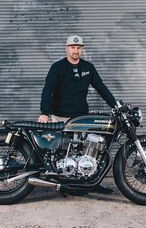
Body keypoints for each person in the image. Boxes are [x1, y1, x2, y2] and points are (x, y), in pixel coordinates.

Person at [39, 35, 117, 194]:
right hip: (59, 116)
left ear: (82, 49)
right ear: (67, 48)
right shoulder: (58, 67)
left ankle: (92, 182)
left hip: (81, 117)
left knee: (88, 150)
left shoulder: (88, 67)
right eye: (73, 47)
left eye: (79, 47)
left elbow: (101, 88)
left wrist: (115, 105)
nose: (76, 50)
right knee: (59, 152)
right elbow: (48, 90)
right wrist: (44, 113)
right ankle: (62, 184)